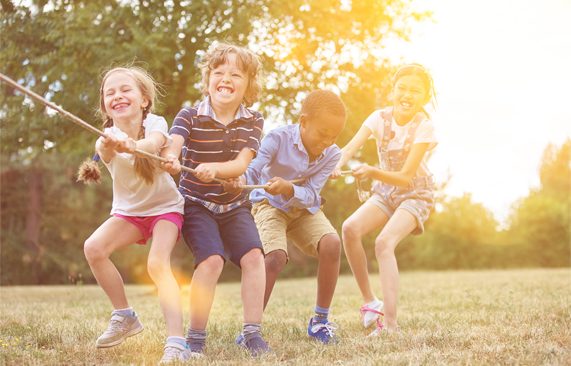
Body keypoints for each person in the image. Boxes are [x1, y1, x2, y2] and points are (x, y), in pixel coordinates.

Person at [161, 43, 269, 357]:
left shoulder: (253, 120)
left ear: (249, 84)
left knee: (254, 258)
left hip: (234, 205)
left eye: (236, 74)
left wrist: (217, 169)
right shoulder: (190, 115)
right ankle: (195, 340)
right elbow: (174, 143)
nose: (226, 78)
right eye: (218, 72)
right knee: (211, 261)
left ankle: (252, 333)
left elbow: (241, 163)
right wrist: (169, 157)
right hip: (196, 203)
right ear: (208, 79)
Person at [77, 66, 190, 363]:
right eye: (110, 93)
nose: (117, 96)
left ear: (144, 99)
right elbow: (104, 149)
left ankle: (177, 343)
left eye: (125, 89)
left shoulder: (156, 123)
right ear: (104, 105)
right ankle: (125, 315)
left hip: (165, 209)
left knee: (157, 264)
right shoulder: (106, 136)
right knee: (94, 248)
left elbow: (153, 143)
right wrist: (114, 145)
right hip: (129, 214)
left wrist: (134, 145)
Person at [231, 90, 346, 344]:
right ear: (303, 122)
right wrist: (240, 181)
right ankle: (251, 330)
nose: (326, 142)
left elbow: (313, 195)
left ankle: (320, 321)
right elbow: (254, 168)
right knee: (274, 257)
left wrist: (289, 188)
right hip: (269, 205)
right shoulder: (277, 138)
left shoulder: (332, 154)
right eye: (322, 134)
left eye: (333, 136)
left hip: (303, 208)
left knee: (332, 244)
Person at [333, 64, 437, 336]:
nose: (407, 95)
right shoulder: (378, 118)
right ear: (392, 91)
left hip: (416, 193)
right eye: (402, 88)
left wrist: (371, 170)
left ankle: (390, 325)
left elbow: (404, 177)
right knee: (350, 228)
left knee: (383, 243)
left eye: (415, 91)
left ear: (424, 97)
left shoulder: (424, 127)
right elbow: (349, 148)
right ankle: (371, 302)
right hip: (386, 193)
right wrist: (335, 165)